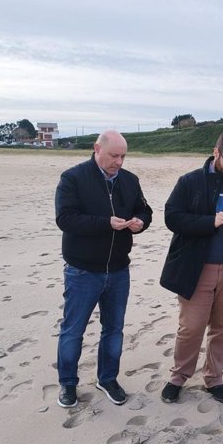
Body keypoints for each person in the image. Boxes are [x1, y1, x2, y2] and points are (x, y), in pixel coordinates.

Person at [159, 130, 223, 404]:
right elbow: (172, 217)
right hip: (198, 267)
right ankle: (178, 377)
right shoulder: (190, 181)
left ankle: (214, 379)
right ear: (216, 152)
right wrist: (209, 222)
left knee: (222, 328)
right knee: (191, 327)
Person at [54, 130, 153, 408]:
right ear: (97, 148)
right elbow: (65, 219)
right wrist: (104, 223)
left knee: (114, 328)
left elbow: (146, 211)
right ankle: (68, 384)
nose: (119, 162)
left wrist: (140, 222)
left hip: (119, 269)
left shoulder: (130, 180)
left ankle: (107, 378)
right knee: (73, 330)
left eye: (123, 156)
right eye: (114, 156)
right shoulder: (73, 178)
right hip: (83, 270)